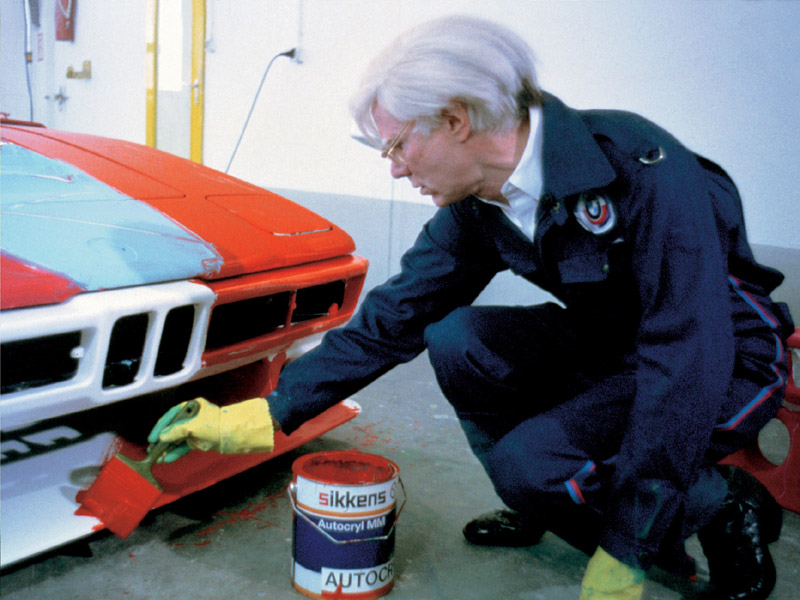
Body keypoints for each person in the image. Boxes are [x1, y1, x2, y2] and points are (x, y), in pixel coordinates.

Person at [149, 15, 794, 600]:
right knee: (458, 337)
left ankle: (719, 503)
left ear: (456, 120)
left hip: (722, 354)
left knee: (533, 465)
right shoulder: (477, 205)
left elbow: (683, 353)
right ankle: (543, 498)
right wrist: (266, 414)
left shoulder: (639, 168)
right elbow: (395, 317)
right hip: (619, 344)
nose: (395, 170)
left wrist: (627, 541)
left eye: (397, 146)